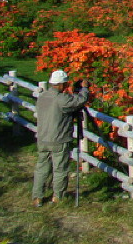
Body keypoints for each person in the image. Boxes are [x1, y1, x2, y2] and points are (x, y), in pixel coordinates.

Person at [31, 69, 91, 206]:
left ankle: (37, 197)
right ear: (61, 84)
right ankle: (58, 196)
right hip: (59, 139)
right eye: (66, 83)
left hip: (42, 138)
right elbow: (80, 101)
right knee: (60, 169)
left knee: (41, 168)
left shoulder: (43, 97)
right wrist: (84, 89)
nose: (67, 85)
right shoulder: (61, 99)